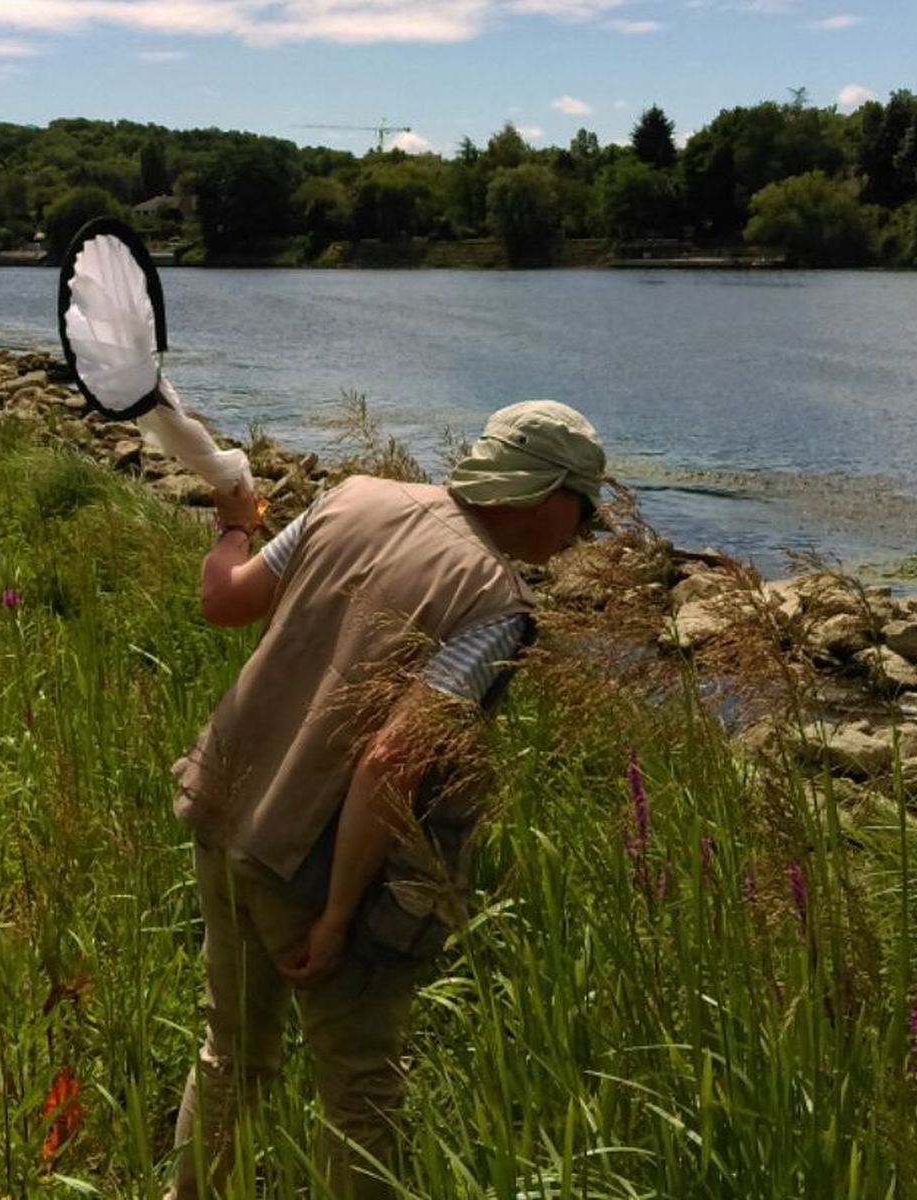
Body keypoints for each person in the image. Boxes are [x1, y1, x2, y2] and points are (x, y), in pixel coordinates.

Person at [167, 400, 605, 1199]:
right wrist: (336, 918)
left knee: (231, 1052)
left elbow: (224, 600)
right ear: (549, 496)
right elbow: (393, 756)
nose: (586, 529)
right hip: (308, 858)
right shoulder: (496, 604)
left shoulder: (350, 496)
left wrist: (233, 524)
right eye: (586, 508)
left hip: (220, 808)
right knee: (361, 1089)